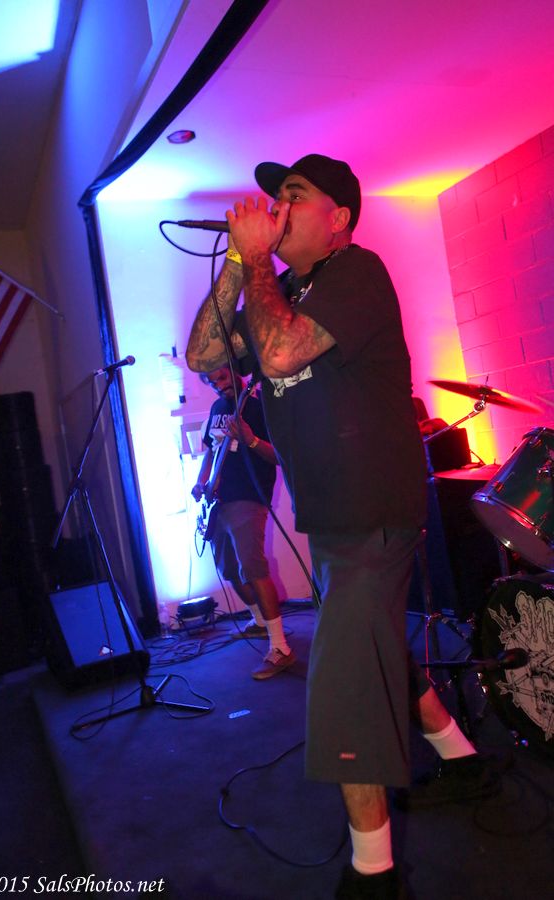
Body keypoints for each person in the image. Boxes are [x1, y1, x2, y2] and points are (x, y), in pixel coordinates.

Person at [186, 155, 499, 899]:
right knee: (376, 646)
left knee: (347, 680)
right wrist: (239, 261)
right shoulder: (276, 290)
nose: (278, 205)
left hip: (373, 511)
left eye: (295, 195)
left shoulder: (358, 272)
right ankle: (462, 759)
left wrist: (257, 263)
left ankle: (374, 874)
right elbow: (204, 354)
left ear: (339, 219)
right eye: (275, 196)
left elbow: (282, 353)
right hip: (331, 519)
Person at [192, 364, 295, 679]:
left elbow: (281, 455)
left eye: (221, 377)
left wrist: (250, 440)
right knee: (229, 571)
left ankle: (280, 647)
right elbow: (210, 451)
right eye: (211, 382)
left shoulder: (260, 405)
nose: (218, 385)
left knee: (253, 569)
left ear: (235, 370)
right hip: (218, 502)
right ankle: (259, 621)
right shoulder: (217, 408)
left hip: (248, 498)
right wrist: (201, 481)